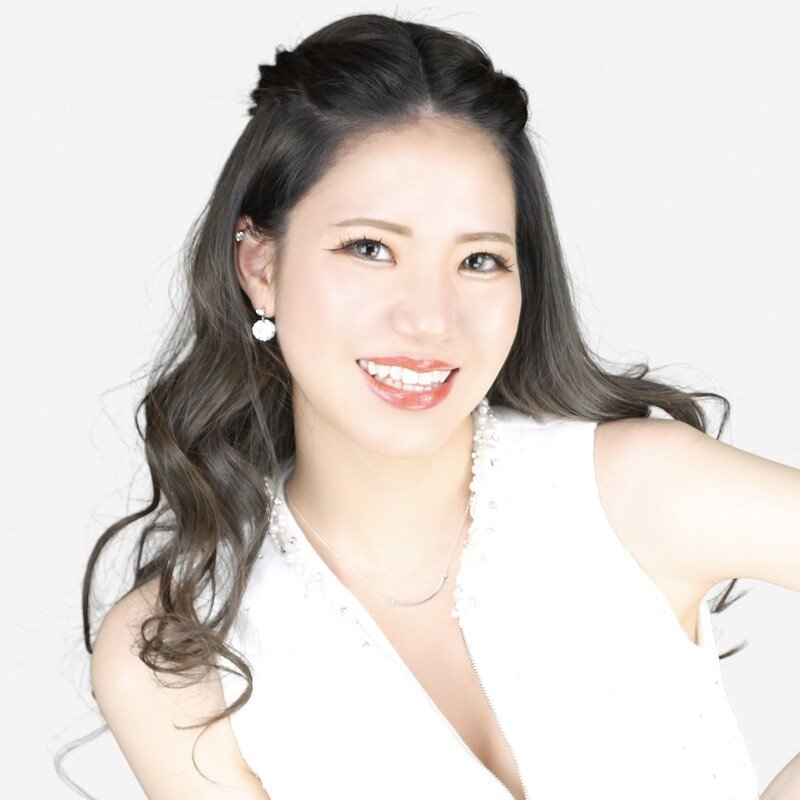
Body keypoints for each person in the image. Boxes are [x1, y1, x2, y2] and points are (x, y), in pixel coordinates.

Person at [81, 12, 799, 800]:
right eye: (370, 249)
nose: (429, 318)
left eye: (480, 260)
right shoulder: (179, 656)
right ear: (261, 267)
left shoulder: (634, 491)